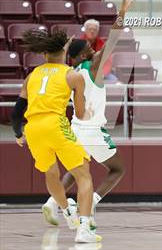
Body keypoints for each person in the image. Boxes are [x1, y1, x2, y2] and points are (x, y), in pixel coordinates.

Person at [41, 0, 132, 227]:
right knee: (118, 169)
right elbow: (113, 38)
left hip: (74, 128)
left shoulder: (70, 72)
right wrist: (122, 11)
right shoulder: (92, 67)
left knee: (79, 167)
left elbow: (60, 57)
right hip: (92, 129)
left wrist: (69, 47)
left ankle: (53, 202)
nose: (93, 49)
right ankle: (91, 201)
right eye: (88, 49)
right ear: (82, 54)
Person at [10, 29, 101, 243]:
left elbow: (16, 113)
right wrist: (87, 111)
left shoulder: (32, 76)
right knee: (84, 175)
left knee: (51, 174)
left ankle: (66, 211)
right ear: (65, 51)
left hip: (33, 128)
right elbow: (79, 114)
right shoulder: (72, 75)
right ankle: (84, 229)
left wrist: (17, 134)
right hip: (55, 124)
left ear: (44, 55)